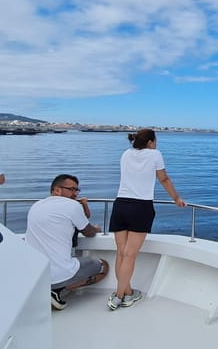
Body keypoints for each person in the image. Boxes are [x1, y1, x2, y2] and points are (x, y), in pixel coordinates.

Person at [107, 129, 186, 310]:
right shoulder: (154, 154)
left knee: (121, 252)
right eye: (155, 141)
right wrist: (176, 198)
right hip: (140, 207)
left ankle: (127, 291)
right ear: (150, 142)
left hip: (120, 205)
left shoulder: (126, 154)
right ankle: (119, 296)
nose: (156, 144)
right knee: (130, 254)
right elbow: (163, 178)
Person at [25, 174, 109, 310]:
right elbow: (88, 232)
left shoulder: (36, 205)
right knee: (104, 266)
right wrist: (96, 229)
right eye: (71, 189)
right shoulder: (72, 206)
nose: (75, 193)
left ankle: (48, 290)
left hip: (36, 274)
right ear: (56, 190)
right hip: (58, 274)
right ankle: (58, 290)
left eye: (77, 190)